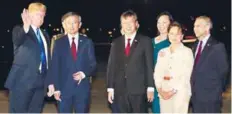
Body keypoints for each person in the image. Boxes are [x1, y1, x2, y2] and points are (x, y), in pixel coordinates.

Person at [4, 2, 50, 113]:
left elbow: (48, 59)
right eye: (38, 14)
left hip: (40, 82)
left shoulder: (45, 34)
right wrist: (26, 25)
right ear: (29, 15)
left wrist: (50, 82)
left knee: (36, 111)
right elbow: (17, 39)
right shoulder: (20, 30)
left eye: (43, 15)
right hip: (22, 81)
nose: (41, 17)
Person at [47, 12, 96, 113]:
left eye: (74, 23)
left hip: (82, 89)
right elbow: (55, 66)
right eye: (69, 23)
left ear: (80, 24)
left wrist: (83, 74)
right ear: (64, 25)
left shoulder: (87, 42)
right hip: (63, 90)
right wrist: (56, 88)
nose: (72, 26)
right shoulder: (58, 42)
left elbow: (93, 65)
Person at [106, 10, 154, 113]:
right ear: (121, 25)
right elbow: (111, 66)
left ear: (136, 24)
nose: (128, 26)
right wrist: (110, 88)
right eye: (124, 23)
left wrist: (150, 87)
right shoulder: (116, 42)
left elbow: (149, 66)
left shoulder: (145, 41)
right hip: (120, 90)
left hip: (138, 90)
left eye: (130, 22)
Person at [191, 16, 229, 113]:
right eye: (194, 26)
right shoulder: (195, 45)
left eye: (198, 26)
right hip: (196, 96)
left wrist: (218, 92)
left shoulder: (217, 47)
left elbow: (224, 72)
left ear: (207, 27)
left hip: (211, 98)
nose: (195, 28)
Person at [154, 22, 194, 113]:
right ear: (168, 35)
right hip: (164, 91)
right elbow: (158, 72)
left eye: (177, 34)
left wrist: (172, 92)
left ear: (182, 35)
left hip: (180, 92)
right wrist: (160, 90)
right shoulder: (163, 52)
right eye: (171, 33)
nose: (174, 36)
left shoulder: (187, 52)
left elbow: (186, 75)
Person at [151, 11, 173, 113]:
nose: (161, 25)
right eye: (159, 23)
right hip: (152, 82)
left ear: (170, 24)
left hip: (165, 83)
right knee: (155, 108)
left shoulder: (172, 43)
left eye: (164, 22)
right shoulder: (150, 41)